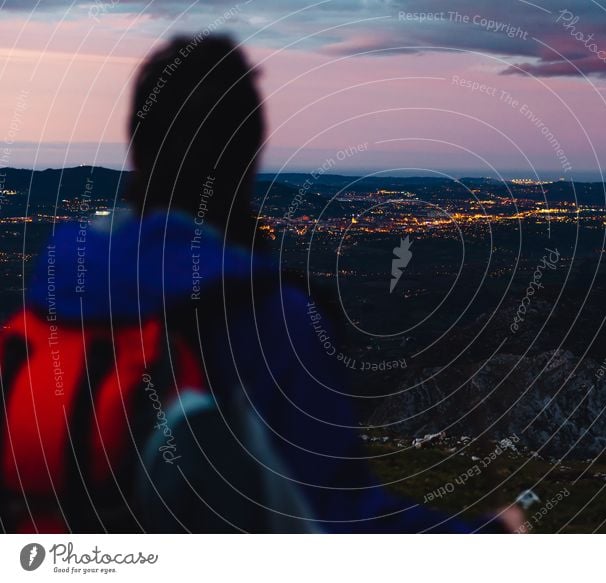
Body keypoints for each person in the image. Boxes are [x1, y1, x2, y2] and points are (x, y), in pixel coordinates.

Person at [5, 35, 523, 533]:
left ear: (137, 148)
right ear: (250, 155)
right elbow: (339, 523)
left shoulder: (52, 297)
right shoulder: (264, 319)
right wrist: (489, 539)